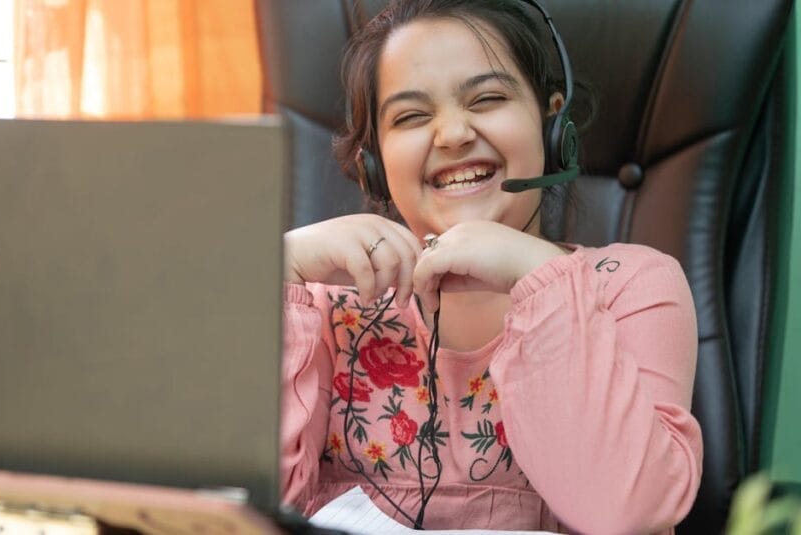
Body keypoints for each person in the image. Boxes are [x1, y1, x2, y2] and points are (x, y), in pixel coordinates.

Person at [279, 0, 703, 533]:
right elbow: (240, 504)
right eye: (411, 116)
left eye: (487, 98)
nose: (453, 134)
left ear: (553, 125)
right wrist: (280, 273)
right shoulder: (324, 308)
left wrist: (540, 280)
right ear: (375, 166)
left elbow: (624, 512)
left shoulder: (629, 288)